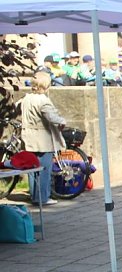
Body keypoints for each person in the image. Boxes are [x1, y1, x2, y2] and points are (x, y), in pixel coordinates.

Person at [18, 72, 64, 206]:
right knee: (44, 169)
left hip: (28, 136)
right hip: (42, 138)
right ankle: (43, 197)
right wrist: (62, 121)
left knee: (32, 169)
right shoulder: (43, 100)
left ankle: (34, 195)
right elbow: (51, 116)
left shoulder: (27, 98)